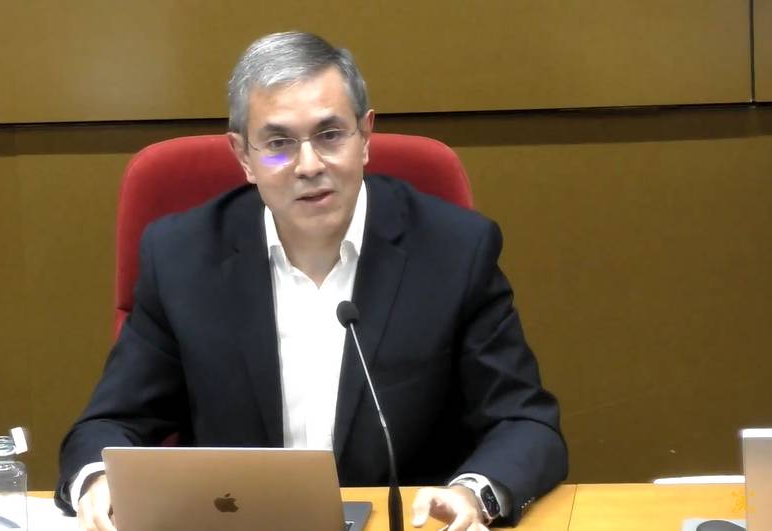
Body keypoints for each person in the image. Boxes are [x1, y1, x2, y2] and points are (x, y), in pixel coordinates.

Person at [56, 31, 567, 531]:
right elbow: (109, 424)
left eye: (330, 135)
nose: (308, 165)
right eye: (277, 144)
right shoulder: (182, 257)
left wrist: (471, 493)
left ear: (365, 136)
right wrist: (98, 480)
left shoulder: (455, 251)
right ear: (243, 156)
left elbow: (524, 422)